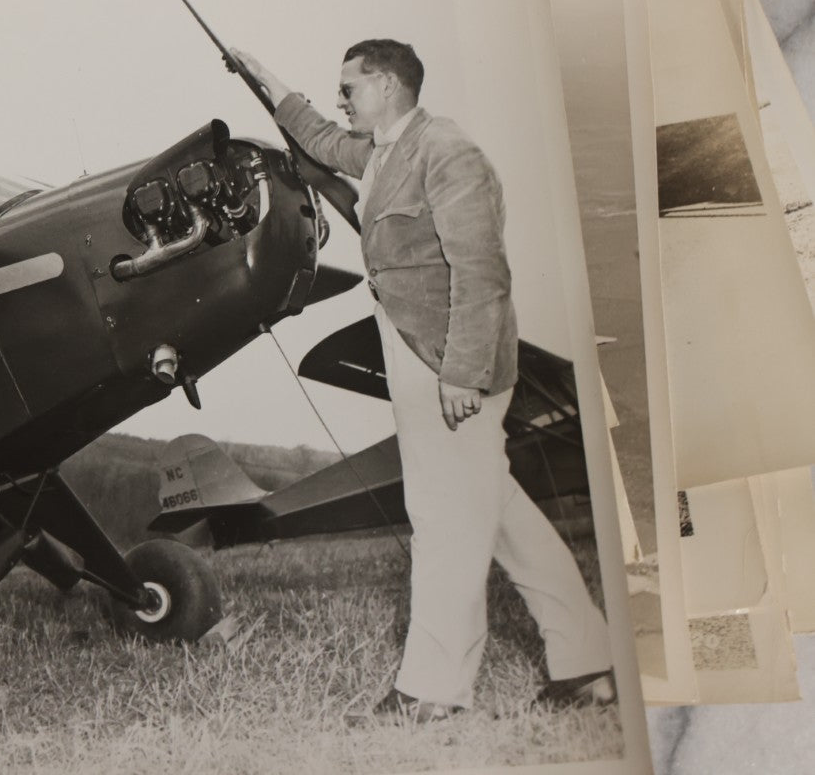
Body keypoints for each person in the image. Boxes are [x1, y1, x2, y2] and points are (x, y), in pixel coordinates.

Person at [237, 38, 614, 723]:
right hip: (418, 356)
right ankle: (589, 661)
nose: (340, 99)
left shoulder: (447, 152)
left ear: (385, 85)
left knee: (442, 520)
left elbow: (481, 272)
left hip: (448, 364)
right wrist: (263, 78)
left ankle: (433, 690)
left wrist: (462, 372)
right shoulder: (384, 151)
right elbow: (321, 140)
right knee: (501, 516)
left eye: (348, 87)